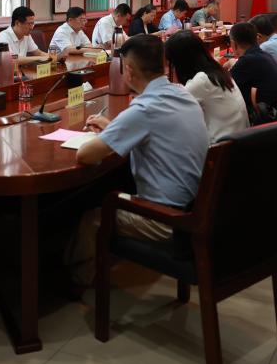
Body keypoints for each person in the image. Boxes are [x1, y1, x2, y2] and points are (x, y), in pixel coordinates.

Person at [68, 35, 209, 287]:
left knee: (93, 218)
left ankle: (78, 281)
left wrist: (110, 133)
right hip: (196, 206)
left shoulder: (145, 108)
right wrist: (114, 129)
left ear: (129, 70)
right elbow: (152, 130)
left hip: (169, 220)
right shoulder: (182, 94)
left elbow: (85, 155)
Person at [165, 30, 249, 143]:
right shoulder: (216, 72)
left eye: (171, 63)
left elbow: (171, 112)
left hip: (222, 147)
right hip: (239, 140)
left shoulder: (201, 81)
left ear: (180, 62)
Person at [227, 22, 277, 122]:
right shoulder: (264, 55)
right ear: (256, 38)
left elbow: (225, 87)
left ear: (233, 44)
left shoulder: (248, 61)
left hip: (265, 118)